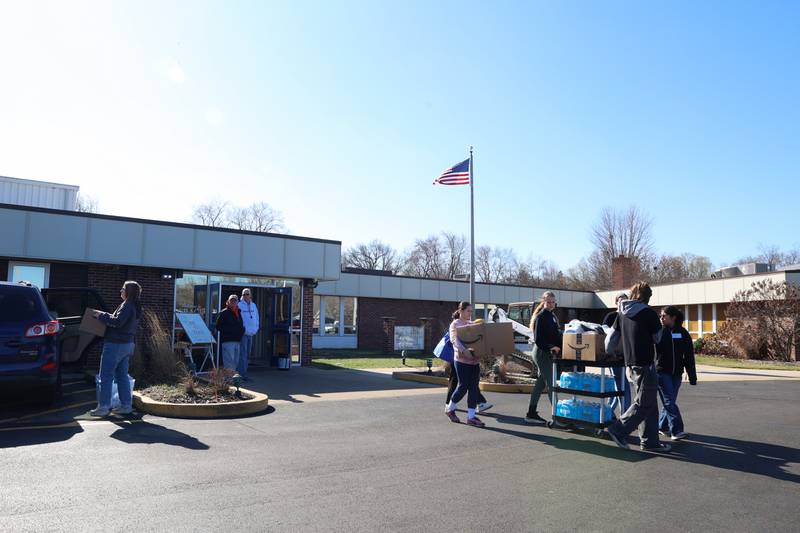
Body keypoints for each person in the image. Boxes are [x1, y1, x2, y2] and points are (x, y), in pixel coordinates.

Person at [605, 282, 671, 452]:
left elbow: (610, 341)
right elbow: (657, 338)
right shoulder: (648, 313)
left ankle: (650, 442)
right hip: (645, 365)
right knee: (643, 404)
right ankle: (618, 429)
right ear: (646, 297)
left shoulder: (621, 313)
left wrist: (610, 354)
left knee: (649, 404)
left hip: (629, 365)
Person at [90, 280, 142, 417]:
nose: (120, 291)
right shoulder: (135, 306)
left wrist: (101, 315)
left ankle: (103, 408)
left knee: (106, 376)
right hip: (127, 345)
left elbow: (117, 322)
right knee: (122, 376)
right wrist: (107, 315)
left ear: (128, 292)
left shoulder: (127, 305)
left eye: (123, 289)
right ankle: (126, 406)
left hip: (115, 344)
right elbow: (120, 320)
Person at [655, 306, 697, 440]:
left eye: (664, 316)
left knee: (670, 401)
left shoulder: (683, 333)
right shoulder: (659, 332)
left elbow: (689, 356)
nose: (661, 318)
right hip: (661, 372)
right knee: (669, 401)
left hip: (676, 374)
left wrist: (692, 376)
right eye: (660, 316)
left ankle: (662, 427)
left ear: (673, 317)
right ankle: (676, 430)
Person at [444, 302, 486, 427]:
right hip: (461, 361)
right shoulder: (455, 324)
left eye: (471, 311)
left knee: (473, 388)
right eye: (468, 311)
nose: (470, 313)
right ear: (461, 311)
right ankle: (450, 409)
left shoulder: (472, 324)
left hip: (475, 361)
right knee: (463, 386)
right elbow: (454, 339)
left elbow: (481, 339)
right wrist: (464, 350)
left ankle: (471, 417)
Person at [525, 291, 562, 424]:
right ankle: (557, 417)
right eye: (549, 302)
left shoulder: (552, 316)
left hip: (547, 353)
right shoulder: (541, 317)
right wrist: (550, 347)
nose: (551, 304)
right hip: (541, 353)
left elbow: (555, 336)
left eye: (553, 302)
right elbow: (538, 339)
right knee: (551, 383)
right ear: (544, 302)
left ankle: (531, 413)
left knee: (541, 383)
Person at [603, 292, 632, 414]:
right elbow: (603, 329)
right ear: (616, 303)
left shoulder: (629, 316)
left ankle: (608, 412)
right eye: (620, 300)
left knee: (619, 384)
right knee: (621, 384)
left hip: (627, 355)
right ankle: (625, 414)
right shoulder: (611, 316)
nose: (622, 302)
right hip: (613, 355)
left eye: (625, 300)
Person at [216, 294, 245, 373]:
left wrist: (242, 331)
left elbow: (241, 325)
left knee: (235, 362)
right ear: (228, 302)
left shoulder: (238, 312)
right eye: (231, 301)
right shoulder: (224, 312)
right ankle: (229, 380)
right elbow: (218, 326)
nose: (233, 302)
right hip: (227, 341)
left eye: (235, 301)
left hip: (237, 341)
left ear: (237, 302)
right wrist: (230, 331)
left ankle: (232, 379)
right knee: (229, 362)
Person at [238, 288, 259, 381]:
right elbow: (238, 319)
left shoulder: (254, 305)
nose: (245, 296)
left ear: (250, 295)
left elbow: (257, 318)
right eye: (244, 294)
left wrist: (256, 328)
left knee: (247, 354)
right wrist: (243, 330)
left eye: (247, 294)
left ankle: (244, 373)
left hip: (251, 334)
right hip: (243, 334)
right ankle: (242, 374)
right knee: (242, 354)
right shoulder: (239, 305)